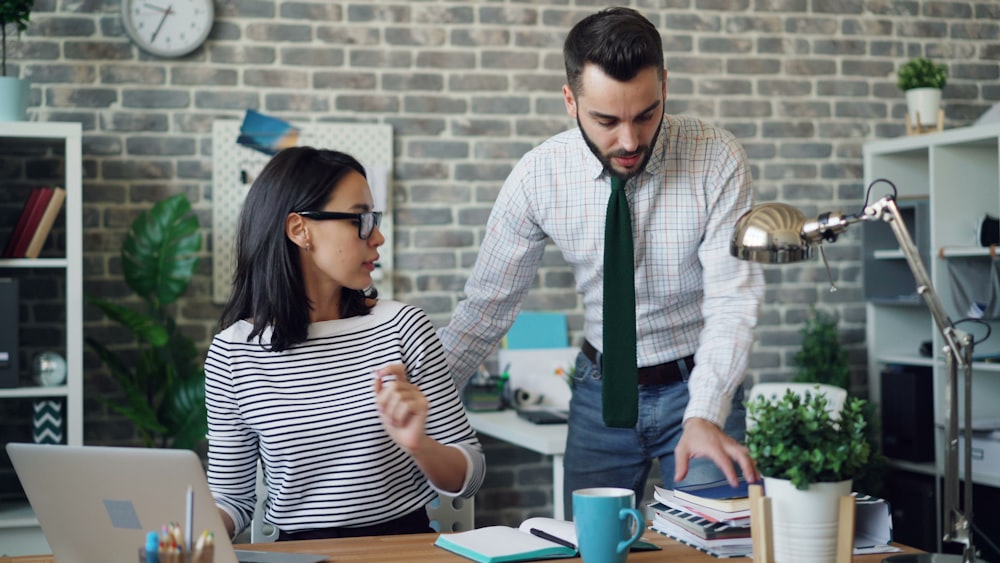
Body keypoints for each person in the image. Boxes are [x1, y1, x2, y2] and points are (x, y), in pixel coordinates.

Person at [438, 6, 764, 511]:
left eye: (646, 114)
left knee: (718, 541)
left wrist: (705, 412)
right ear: (571, 101)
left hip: (698, 385)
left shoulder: (715, 157)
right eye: (606, 120)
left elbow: (732, 300)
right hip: (599, 391)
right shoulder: (538, 177)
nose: (630, 141)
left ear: (664, 87)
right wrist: (424, 402)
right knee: (592, 549)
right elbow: (485, 310)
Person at [205, 146, 485, 541]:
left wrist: (420, 445)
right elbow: (231, 499)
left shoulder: (402, 327)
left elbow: (469, 474)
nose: (378, 236)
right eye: (362, 220)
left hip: (401, 549)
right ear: (300, 229)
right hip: (299, 555)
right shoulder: (233, 353)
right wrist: (189, 533)